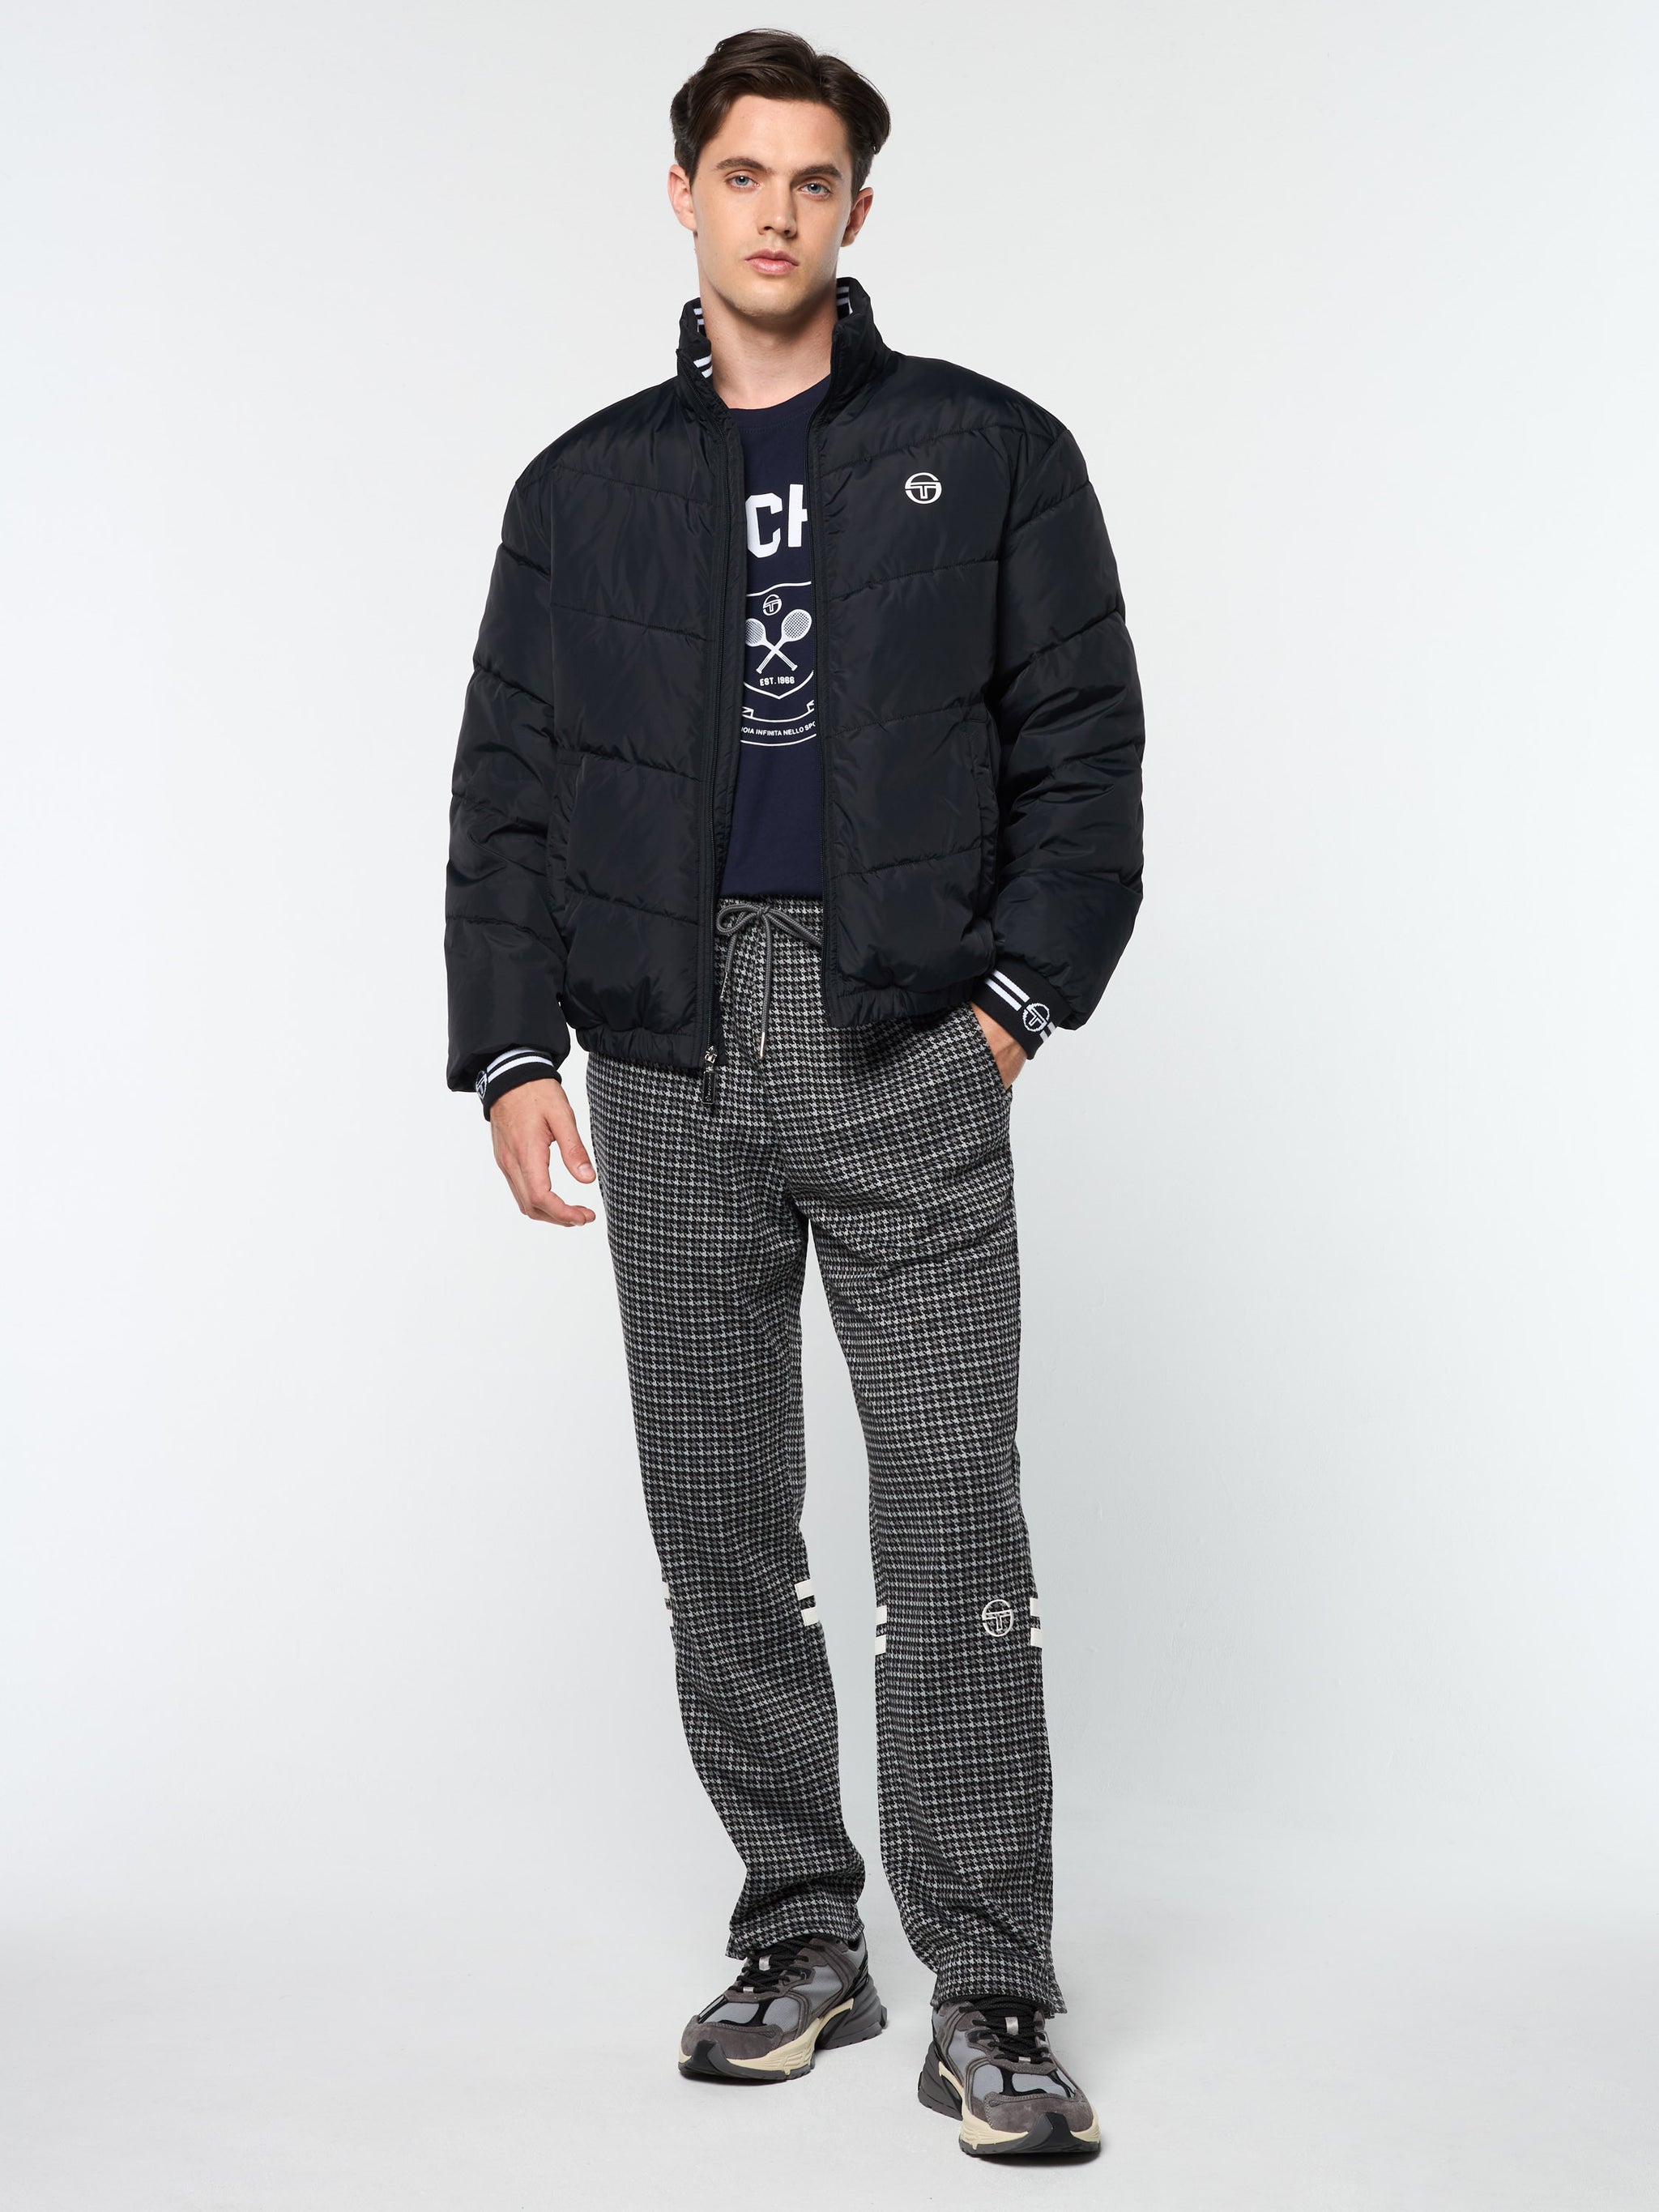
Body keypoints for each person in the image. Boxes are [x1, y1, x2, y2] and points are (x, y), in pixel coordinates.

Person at [444, 28, 1144, 2163]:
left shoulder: (989, 452)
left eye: (814, 179)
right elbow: (508, 791)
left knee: (950, 1528)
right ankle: (801, 1933)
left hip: (903, 1025)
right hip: (663, 1046)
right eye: (741, 174)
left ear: (858, 209)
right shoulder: (582, 490)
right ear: (683, 194)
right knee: (720, 1520)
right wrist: (513, 1049)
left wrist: (1008, 1012)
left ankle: (992, 1987)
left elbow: (1085, 752)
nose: (776, 211)